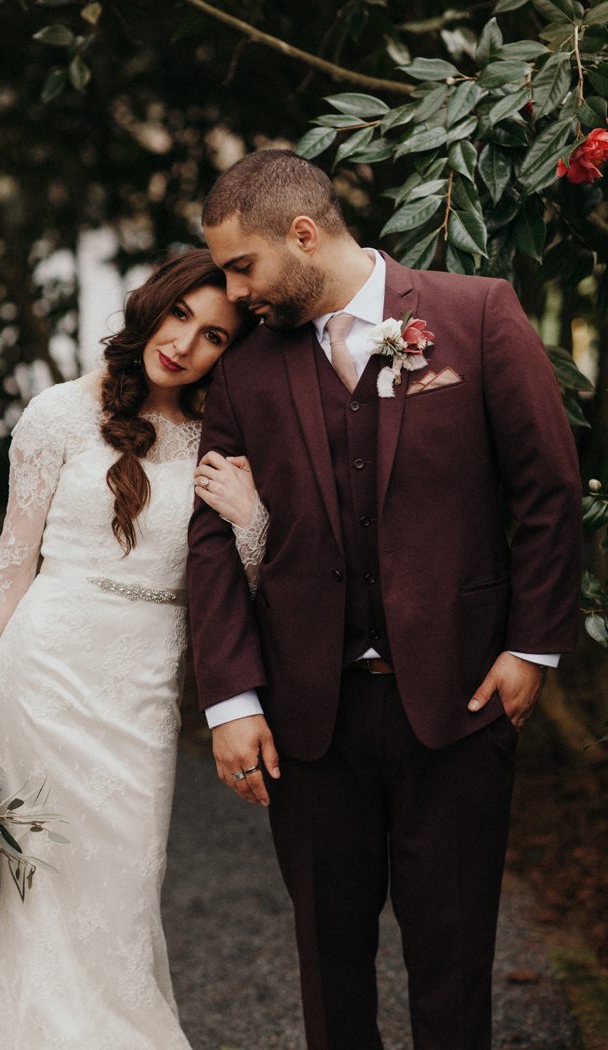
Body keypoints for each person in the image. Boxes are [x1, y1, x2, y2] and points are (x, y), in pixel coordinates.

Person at [188, 150, 583, 1050]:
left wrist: (533, 649)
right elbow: (213, 538)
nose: (235, 291)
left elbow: (548, 493)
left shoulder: (474, 315)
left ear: (302, 234)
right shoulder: (249, 371)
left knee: (454, 964)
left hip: (459, 703)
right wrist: (231, 699)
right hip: (309, 722)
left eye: (242, 266)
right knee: (330, 971)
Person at [0, 249, 264, 1050]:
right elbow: (9, 570)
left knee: (124, 889)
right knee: (32, 896)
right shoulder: (57, 415)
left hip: (143, 686)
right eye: (180, 314)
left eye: (213, 335)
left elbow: (237, 588)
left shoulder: (219, 439)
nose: (185, 342)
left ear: (228, 352)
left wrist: (250, 521)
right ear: (153, 305)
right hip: (41, 676)